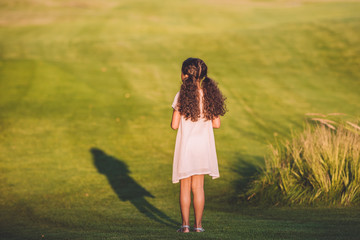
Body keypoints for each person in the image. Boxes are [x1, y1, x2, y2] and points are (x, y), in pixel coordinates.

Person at [171, 58, 227, 233]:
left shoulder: (181, 96)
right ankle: (199, 226)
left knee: (185, 187)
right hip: (203, 147)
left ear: (186, 75)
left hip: (186, 147)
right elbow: (216, 124)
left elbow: (174, 125)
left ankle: (185, 226)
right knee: (199, 187)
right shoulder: (209, 95)